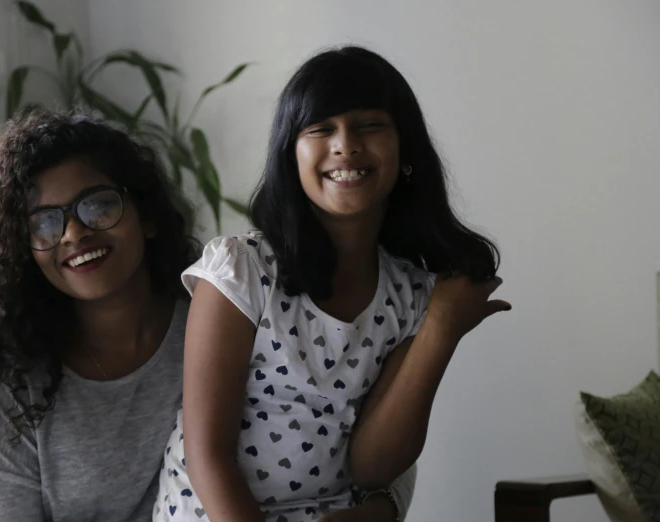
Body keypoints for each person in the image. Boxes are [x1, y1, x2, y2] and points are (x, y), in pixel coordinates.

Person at [0, 109, 411, 522]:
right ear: (23, 251)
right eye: (44, 223)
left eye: (97, 206)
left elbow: (357, 422)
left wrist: (385, 506)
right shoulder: (6, 394)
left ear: (146, 215)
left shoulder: (233, 315)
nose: (74, 234)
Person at [154, 46, 511, 522]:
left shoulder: (412, 295)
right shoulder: (239, 269)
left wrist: (441, 330)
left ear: (405, 150)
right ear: (291, 156)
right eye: (320, 129)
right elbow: (207, 455)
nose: (346, 144)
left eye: (370, 125)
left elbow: (372, 467)